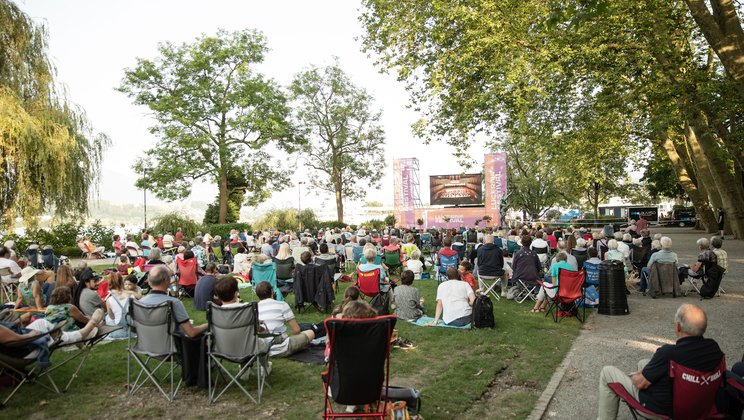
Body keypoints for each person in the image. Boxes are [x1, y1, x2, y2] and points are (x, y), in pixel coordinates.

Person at [597, 304, 723, 419]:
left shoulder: (668, 353)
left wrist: (635, 376)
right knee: (644, 362)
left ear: (678, 327)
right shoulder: (714, 349)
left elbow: (640, 384)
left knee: (607, 372)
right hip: (698, 407)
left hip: (663, 413)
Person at [139, 265, 207, 337]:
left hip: (144, 345)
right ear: (167, 280)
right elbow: (191, 333)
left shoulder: (139, 303)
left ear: (149, 282)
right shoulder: (174, 303)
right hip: (169, 346)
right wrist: (209, 325)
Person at [255, 281, 319, 358]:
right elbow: (296, 330)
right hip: (280, 347)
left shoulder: (254, 308)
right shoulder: (282, 305)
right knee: (310, 333)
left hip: (261, 348)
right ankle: (297, 347)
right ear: (272, 292)